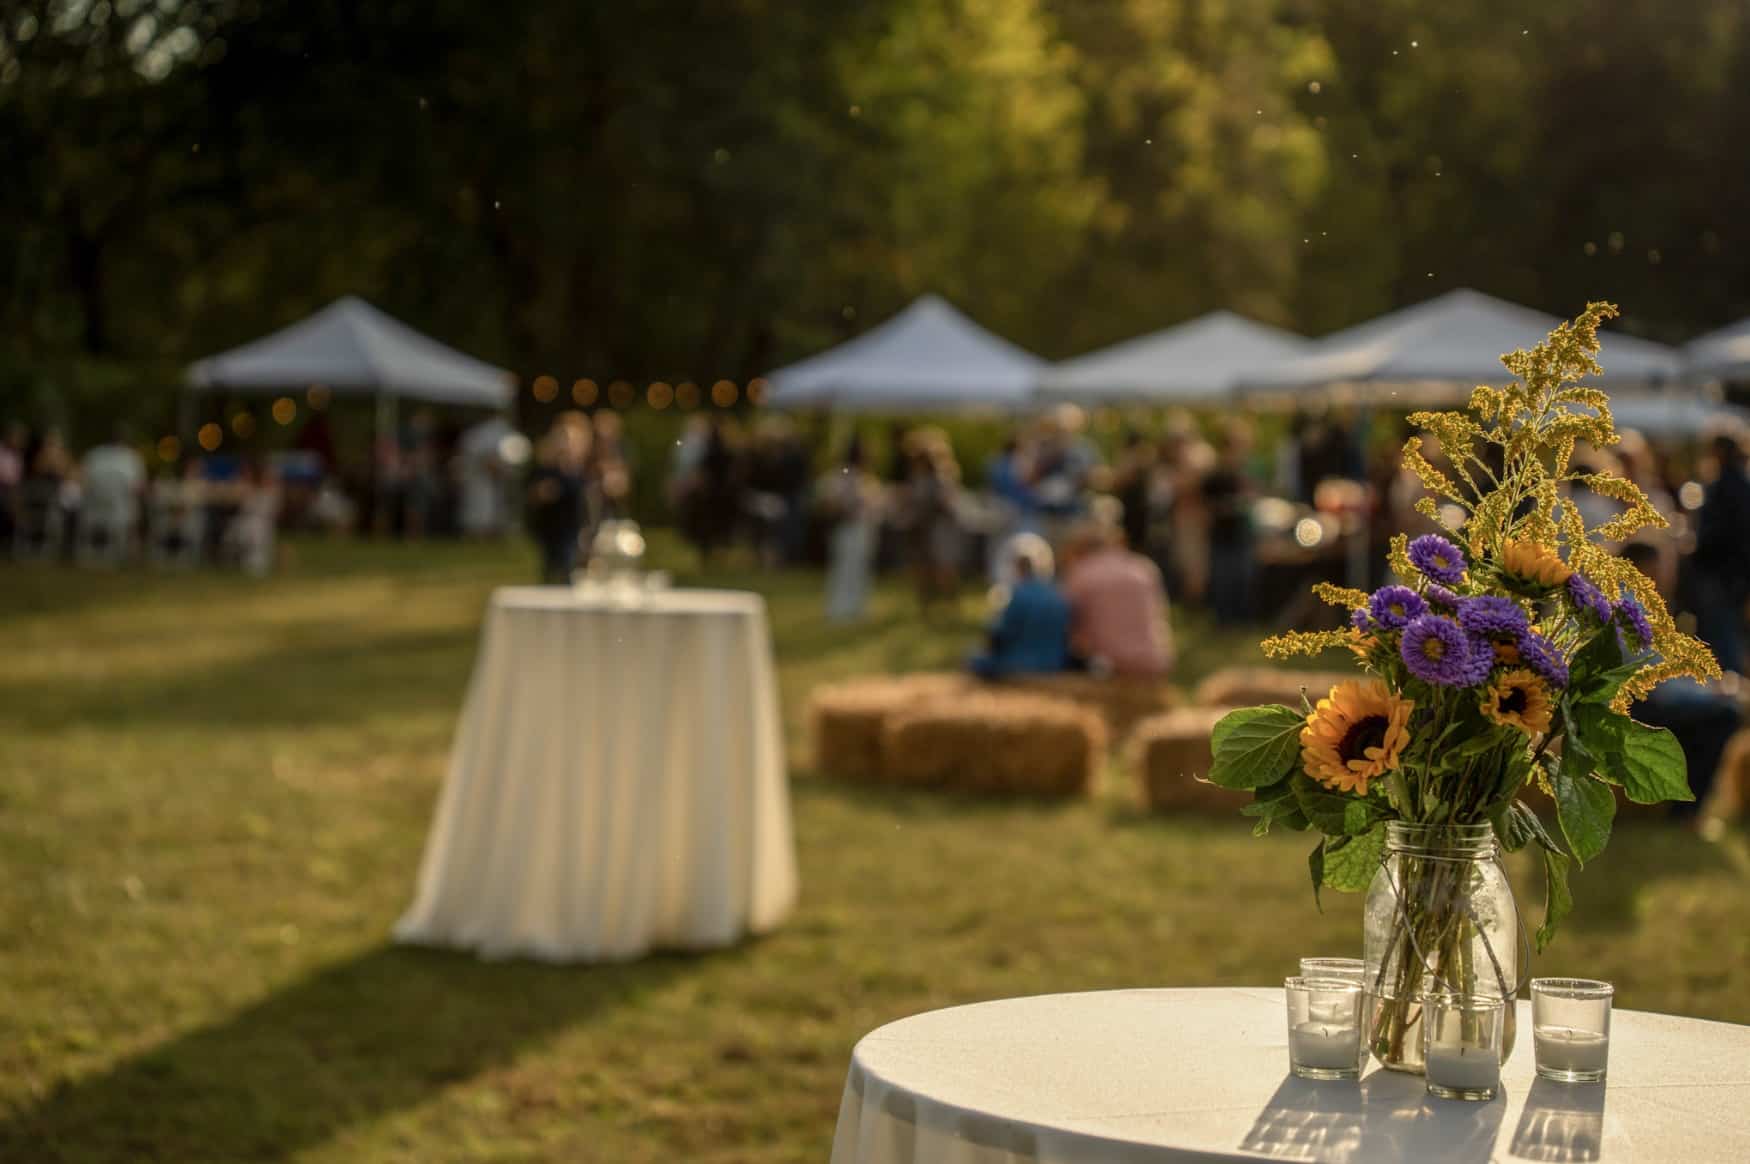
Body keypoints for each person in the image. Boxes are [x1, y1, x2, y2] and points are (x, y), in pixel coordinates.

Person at [1621, 542, 1741, 826]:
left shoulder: (1634, 605)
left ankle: (1679, 804)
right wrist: (1714, 693)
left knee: (1714, 714)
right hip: (1636, 703)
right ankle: (1685, 811)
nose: (1666, 575)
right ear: (1644, 569)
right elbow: (1657, 680)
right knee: (1724, 717)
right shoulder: (1632, 610)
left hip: (1640, 699)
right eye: (1660, 568)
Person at [1061, 519, 1174, 677]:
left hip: (1108, 666)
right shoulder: (1145, 569)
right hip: (1155, 660)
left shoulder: (1081, 573)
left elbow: (1065, 622)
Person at [969, 534, 1070, 678]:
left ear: (1018, 568)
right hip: (1055, 663)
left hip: (1018, 664)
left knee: (976, 659)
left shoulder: (1018, 595)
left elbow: (1001, 634)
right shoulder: (1058, 594)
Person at [1691, 430, 1750, 675]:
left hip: (1719, 572)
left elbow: (1716, 533)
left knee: (1721, 636)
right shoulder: (1743, 485)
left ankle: (1727, 694)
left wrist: (1697, 547)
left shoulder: (1723, 487)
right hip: (1736, 574)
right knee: (1729, 632)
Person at [1201, 421, 1257, 625]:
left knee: (1242, 578)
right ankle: (1224, 619)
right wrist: (1229, 506)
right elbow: (1207, 504)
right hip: (1222, 536)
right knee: (1224, 579)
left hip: (1241, 534)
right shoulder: (1215, 476)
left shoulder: (1243, 473)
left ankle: (1241, 618)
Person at [822, 437, 883, 622]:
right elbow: (832, 502)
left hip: (859, 527)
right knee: (846, 568)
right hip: (848, 527)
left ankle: (855, 608)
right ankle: (840, 609)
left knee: (857, 568)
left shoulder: (859, 476)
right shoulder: (846, 475)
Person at [526, 414, 590, 583]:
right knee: (552, 568)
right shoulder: (547, 469)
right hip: (551, 529)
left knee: (570, 568)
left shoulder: (581, 471)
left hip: (573, 530)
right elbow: (533, 496)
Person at [78, 424, 147, 564]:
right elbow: (138, 488)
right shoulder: (131, 458)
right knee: (137, 509)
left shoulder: (93, 456)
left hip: (93, 510)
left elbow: (83, 483)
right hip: (120, 513)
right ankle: (129, 553)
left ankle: (90, 550)